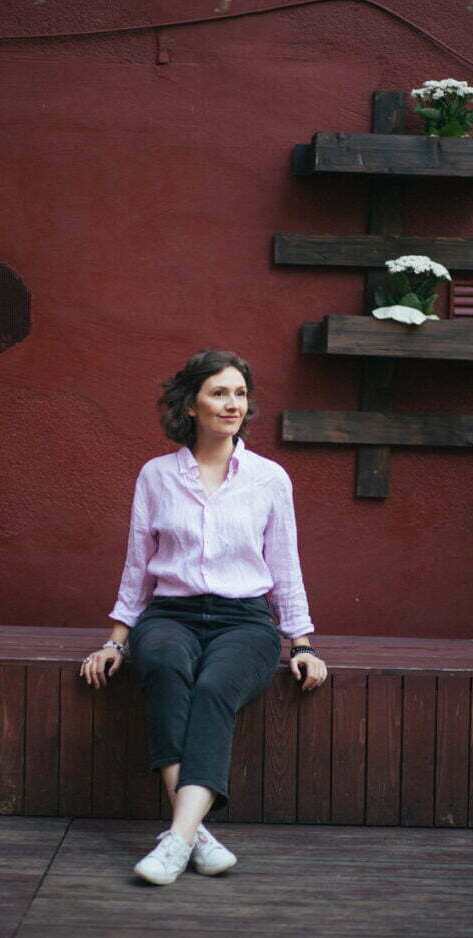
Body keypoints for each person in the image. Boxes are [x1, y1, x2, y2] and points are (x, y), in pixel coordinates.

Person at [80, 350, 327, 885]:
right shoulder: (156, 476)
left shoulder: (269, 479)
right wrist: (117, 640)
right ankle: (193, 835)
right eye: (219, 393)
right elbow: (138, 565)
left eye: (240, 393)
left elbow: (285, 565)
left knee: (215, 688)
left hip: (245, 622)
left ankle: (176, 839)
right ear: (190, 404)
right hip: (171, 614)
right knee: (167, 670)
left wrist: (301, 644)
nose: (232, 404)